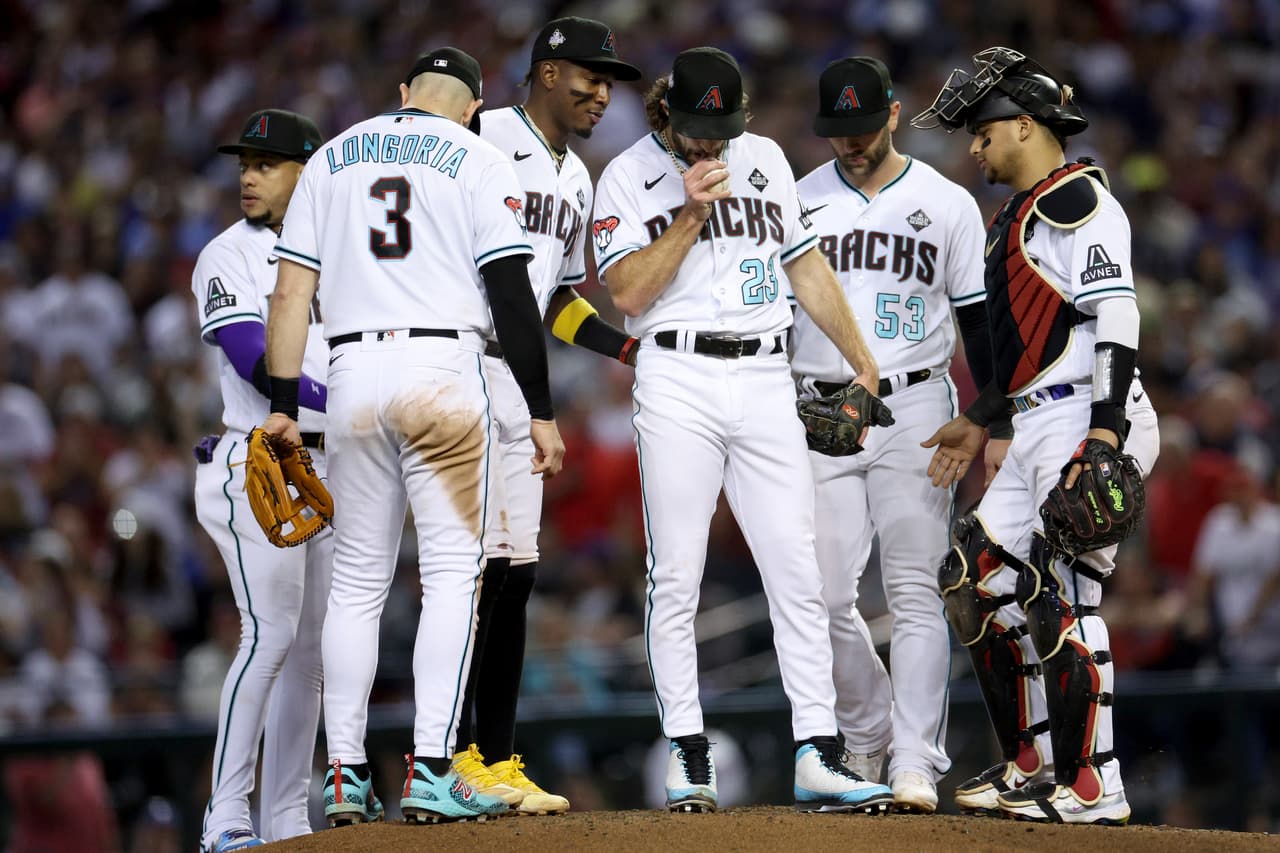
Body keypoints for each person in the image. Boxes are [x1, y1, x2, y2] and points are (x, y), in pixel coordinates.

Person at [260, 47, 565, 825]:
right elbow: (510, 292)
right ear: (472, 106)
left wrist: (284, 403)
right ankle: (431, 766)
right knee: (453, 577)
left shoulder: (331, 156)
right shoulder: (479, 154)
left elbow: (292, 291)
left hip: (353, 369)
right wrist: (539, 405)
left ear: (402, 93)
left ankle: (344, 773)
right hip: (442, 368)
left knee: (359, 582)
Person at [591, 46, 895, 814]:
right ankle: (688, 752)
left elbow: (806, 266)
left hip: (766, 373)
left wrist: (862, 360)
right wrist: (690, 211)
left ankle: (817, 749)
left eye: (722, 128)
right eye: (699, 128)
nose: (711, 143)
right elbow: (626, 291)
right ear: (669, 112)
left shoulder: (760, 157)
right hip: (678, 374)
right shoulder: (628, 174)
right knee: (677, 575)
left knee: (798, 568)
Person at [910, 46, 1159, 823]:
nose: (974, 148)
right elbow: (1029, 348)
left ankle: (1095, 783)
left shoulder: (1077, 200)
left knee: (1060, 589)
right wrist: (984, 415)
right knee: (974, 578)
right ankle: (1033, 762)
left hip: (1088, 410)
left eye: (984, 134)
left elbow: (1116, 315)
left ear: (1024, 124)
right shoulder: (1019, 213)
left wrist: (1106, 433)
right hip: (1037, 415)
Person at [790, 56, 991, 814]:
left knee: (913, 589)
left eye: (864, 127)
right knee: (819, 592)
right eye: (838, 131)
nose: (851, 143)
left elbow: (977, 326)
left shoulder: (945, 204)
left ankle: (913, 760)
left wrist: (983, 420)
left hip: (915, 406)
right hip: (817, 406)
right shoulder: (799, 198)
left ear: (896, 113)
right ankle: (867, 726)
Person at [452, 16, 642, 816]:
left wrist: (624, 347)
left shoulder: (576, 177)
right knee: (464, 575)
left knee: (514, 573)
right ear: (547, 71)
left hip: (516, 378)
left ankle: (491, 756)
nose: (604, 92)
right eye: (591, 76)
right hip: (458, 362)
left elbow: (557, 302)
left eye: (610, 81)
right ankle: (448, 757)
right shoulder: (479, 133)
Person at [192, 108, 330, 853]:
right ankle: (225, 816)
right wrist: (356, 405)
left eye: (267, 162)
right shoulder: (228, 253)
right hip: (259, 458)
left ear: (307, 172)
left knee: (312, 647)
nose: (248, 174)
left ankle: (285, 820)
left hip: (327, 464)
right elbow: (254, 354)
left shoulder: (339, 253)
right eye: (245, 161)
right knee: (268, 633)